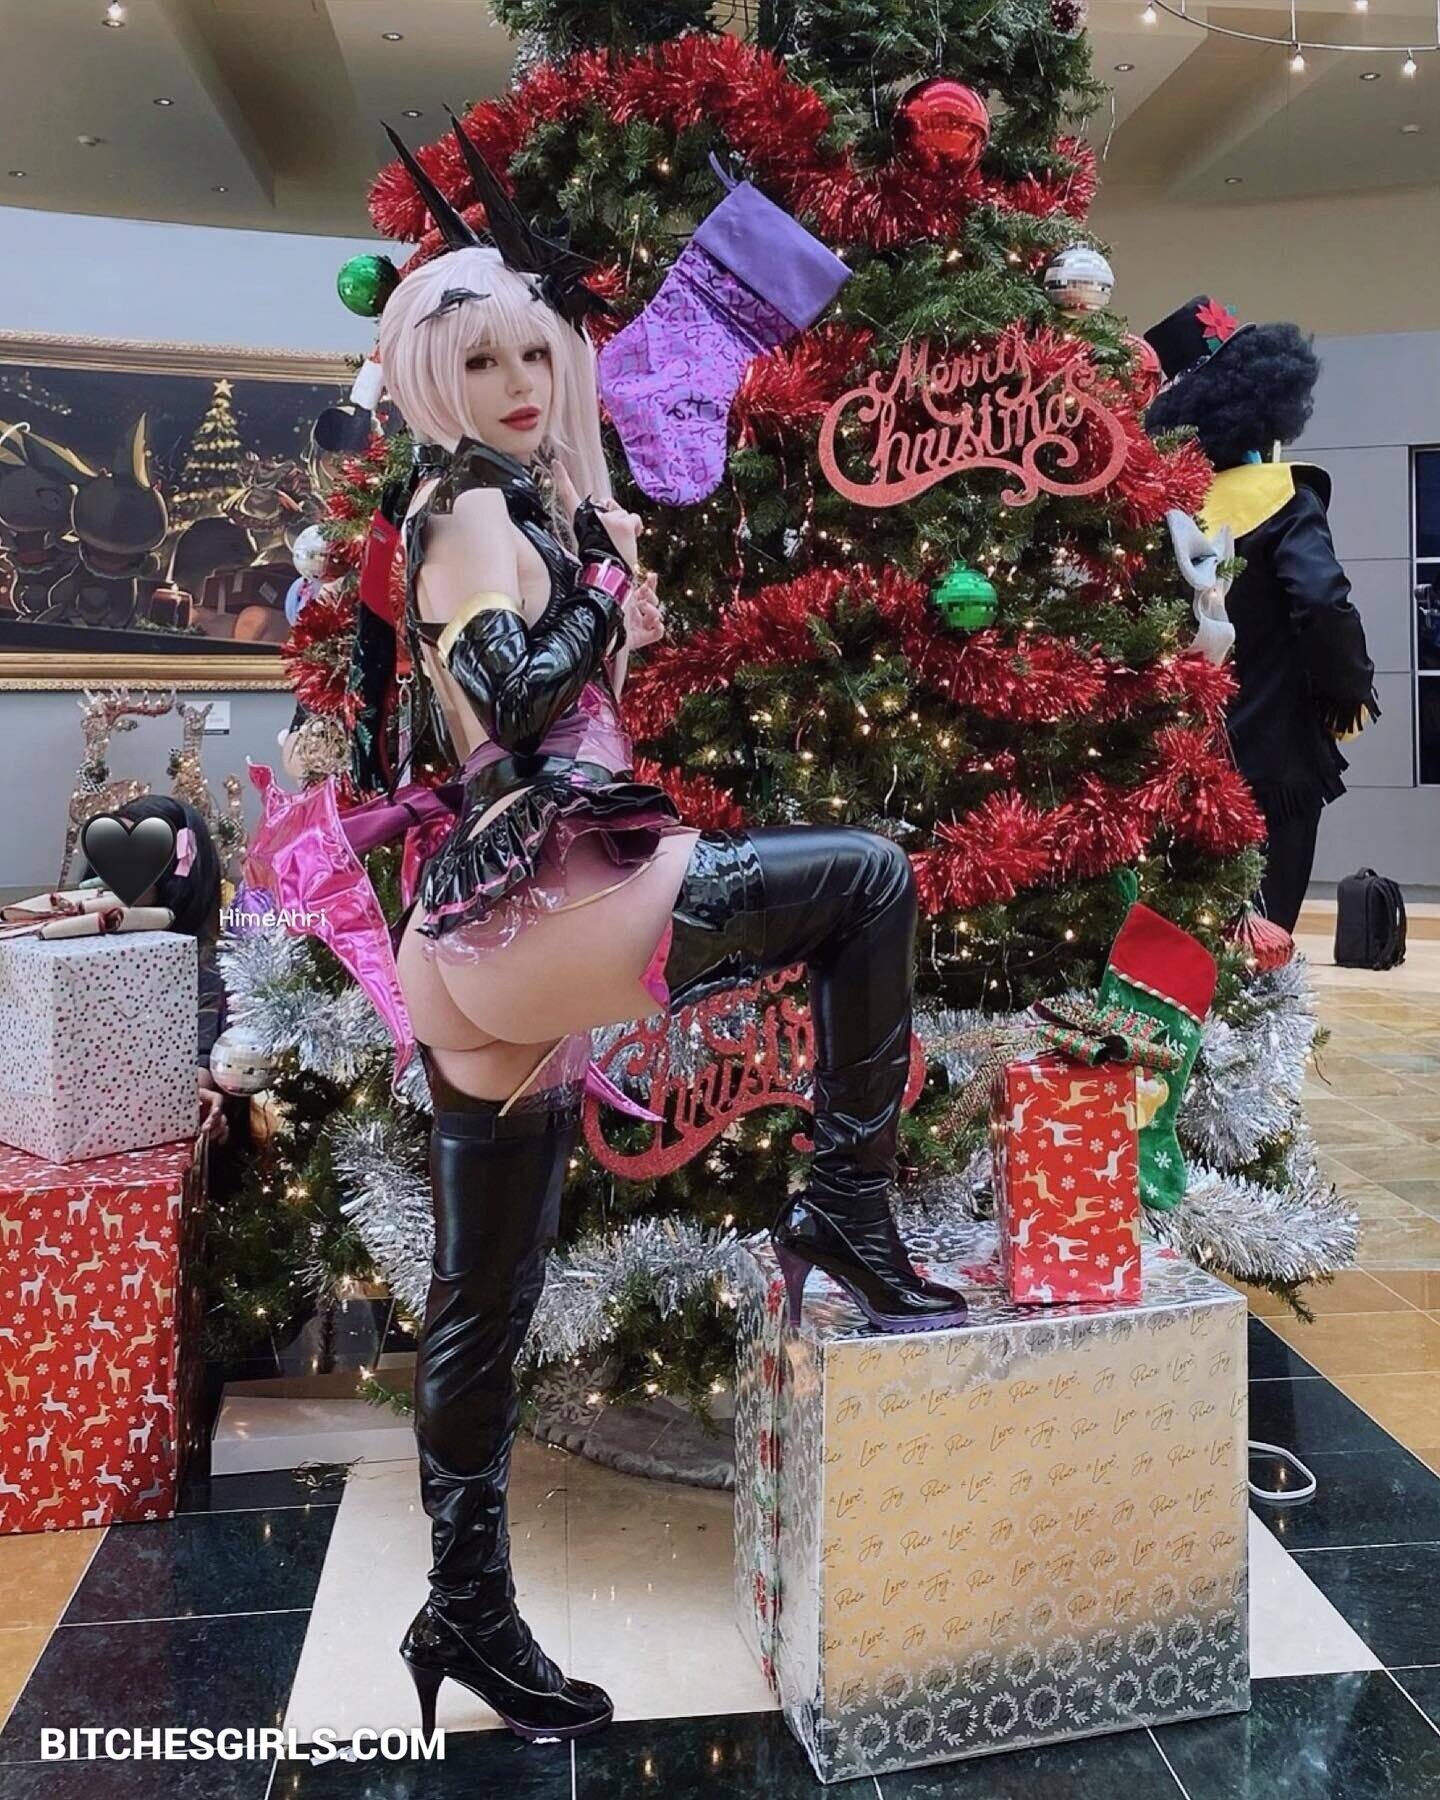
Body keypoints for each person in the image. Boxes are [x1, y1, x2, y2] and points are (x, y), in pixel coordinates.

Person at [247, 117, 968, 1746]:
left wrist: (592, 556)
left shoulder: (494, 502)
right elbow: (510, 697)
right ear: (429, 379)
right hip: (548, 893)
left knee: (482, 1294)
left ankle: (464, 1609)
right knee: (868, 880)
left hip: (485, 937)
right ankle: (848, 1202)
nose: (517, 380)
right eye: (480, 359)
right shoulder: (465, 510)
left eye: (532, 351)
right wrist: (590, 594)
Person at [1143, 297, 1379, 932]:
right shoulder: (1284, 498)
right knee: (1264, 940)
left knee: (1180, 937)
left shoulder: (1158, 518)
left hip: (1173, 762)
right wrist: (1347, 692)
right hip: (1275, 764)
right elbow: (1323, 602)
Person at [82, 793, 230, 1143]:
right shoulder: (78, 945)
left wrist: (194, 1103)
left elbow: (202, 1061)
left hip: (149, 1128)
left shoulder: (204, 963)